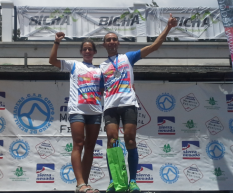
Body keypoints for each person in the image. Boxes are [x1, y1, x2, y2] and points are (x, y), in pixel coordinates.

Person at [100, 13, 177, 193]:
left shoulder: (128, 57)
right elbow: (96, 90)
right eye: (108, 40)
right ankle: (114, 181)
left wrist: (169, 27)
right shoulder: (101, 66)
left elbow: (154, 46)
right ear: (104, 45)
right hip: (110, 106)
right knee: (112, 142)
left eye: (114, 39)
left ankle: (133, 181)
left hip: (128, 104)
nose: (111, 42)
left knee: (130, 140)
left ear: (118, 43)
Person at [49, 32, 103, 193]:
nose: (87, 51)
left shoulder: (100, 70)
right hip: (77, 110)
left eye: (90, 49)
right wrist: (56, 42)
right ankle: (80, 184)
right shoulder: (73, 65)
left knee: (90, 147)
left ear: (94, 52)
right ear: (81, 52)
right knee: (78, 144)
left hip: (95, 111)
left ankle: (84, 184)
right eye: (85, 49)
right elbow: (52, 61)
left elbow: (104, 88)